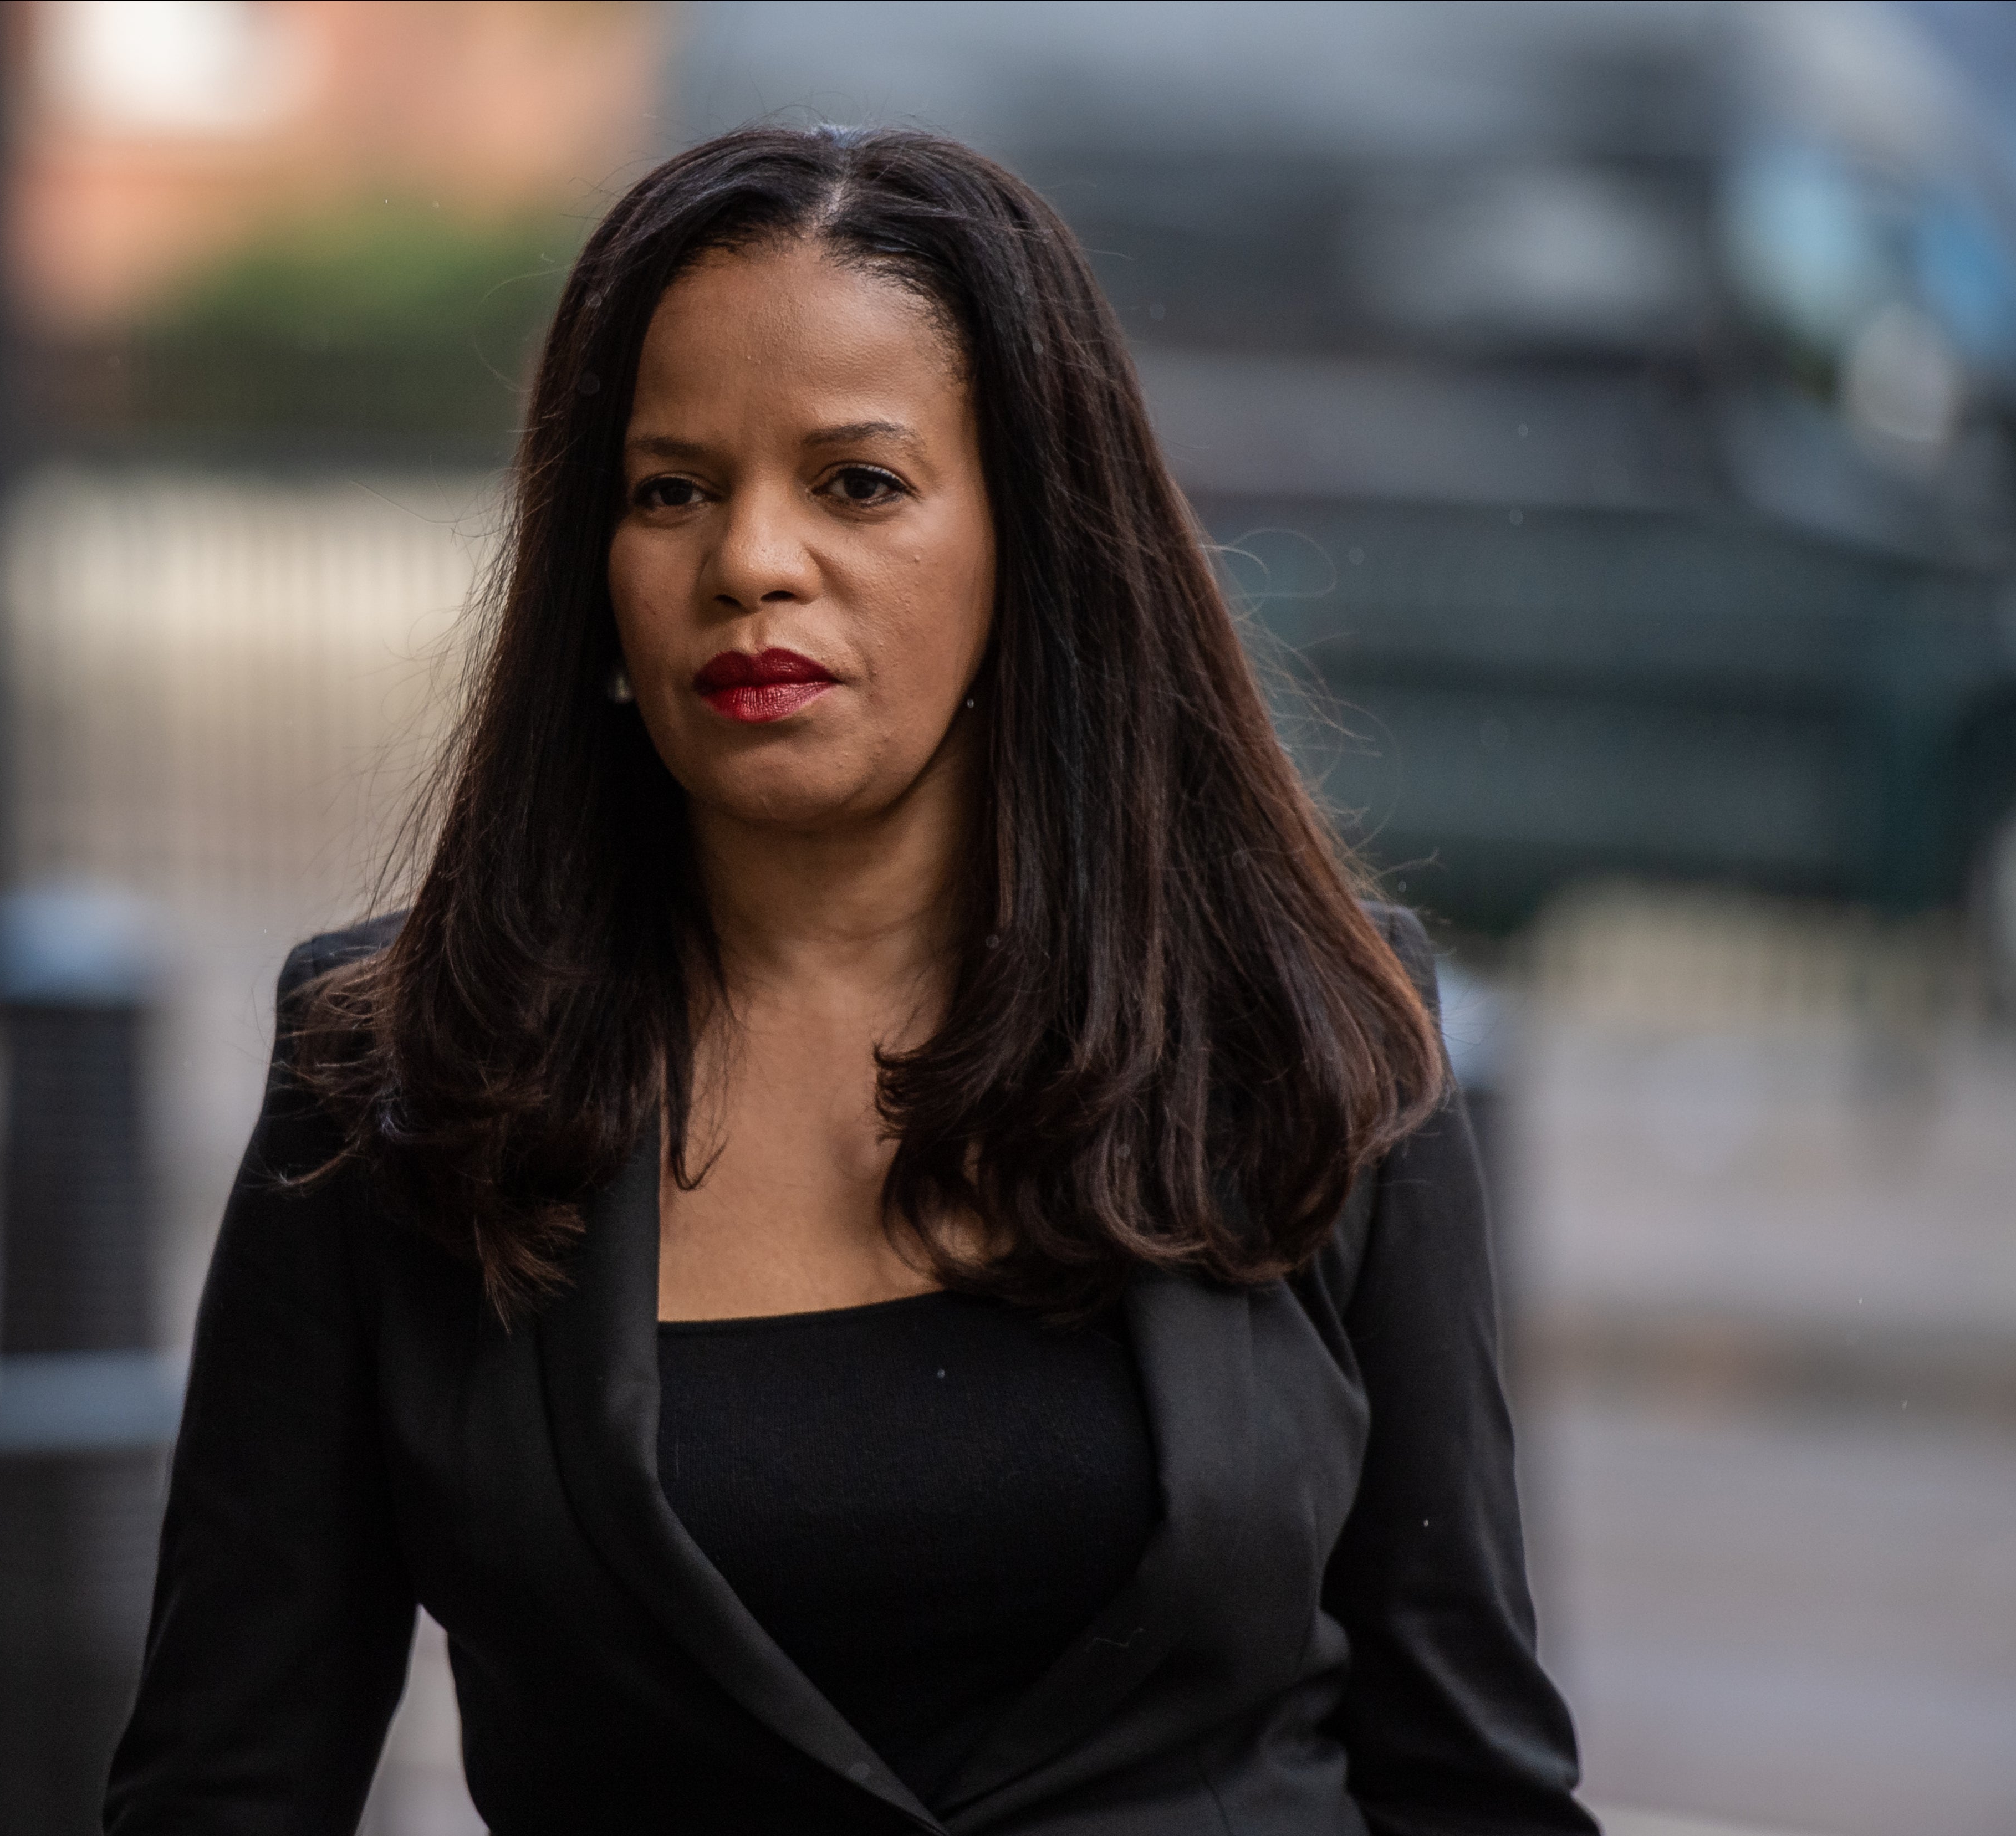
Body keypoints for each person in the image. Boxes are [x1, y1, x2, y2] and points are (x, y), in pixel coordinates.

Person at [105, 126, 1593, 1835]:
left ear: (1030, 537)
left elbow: (1471, 1775)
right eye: (669, 489)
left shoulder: (1304, 1026)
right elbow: (227, 1782)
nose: (749, 561)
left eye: (856, 482)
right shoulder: (400, 1073)